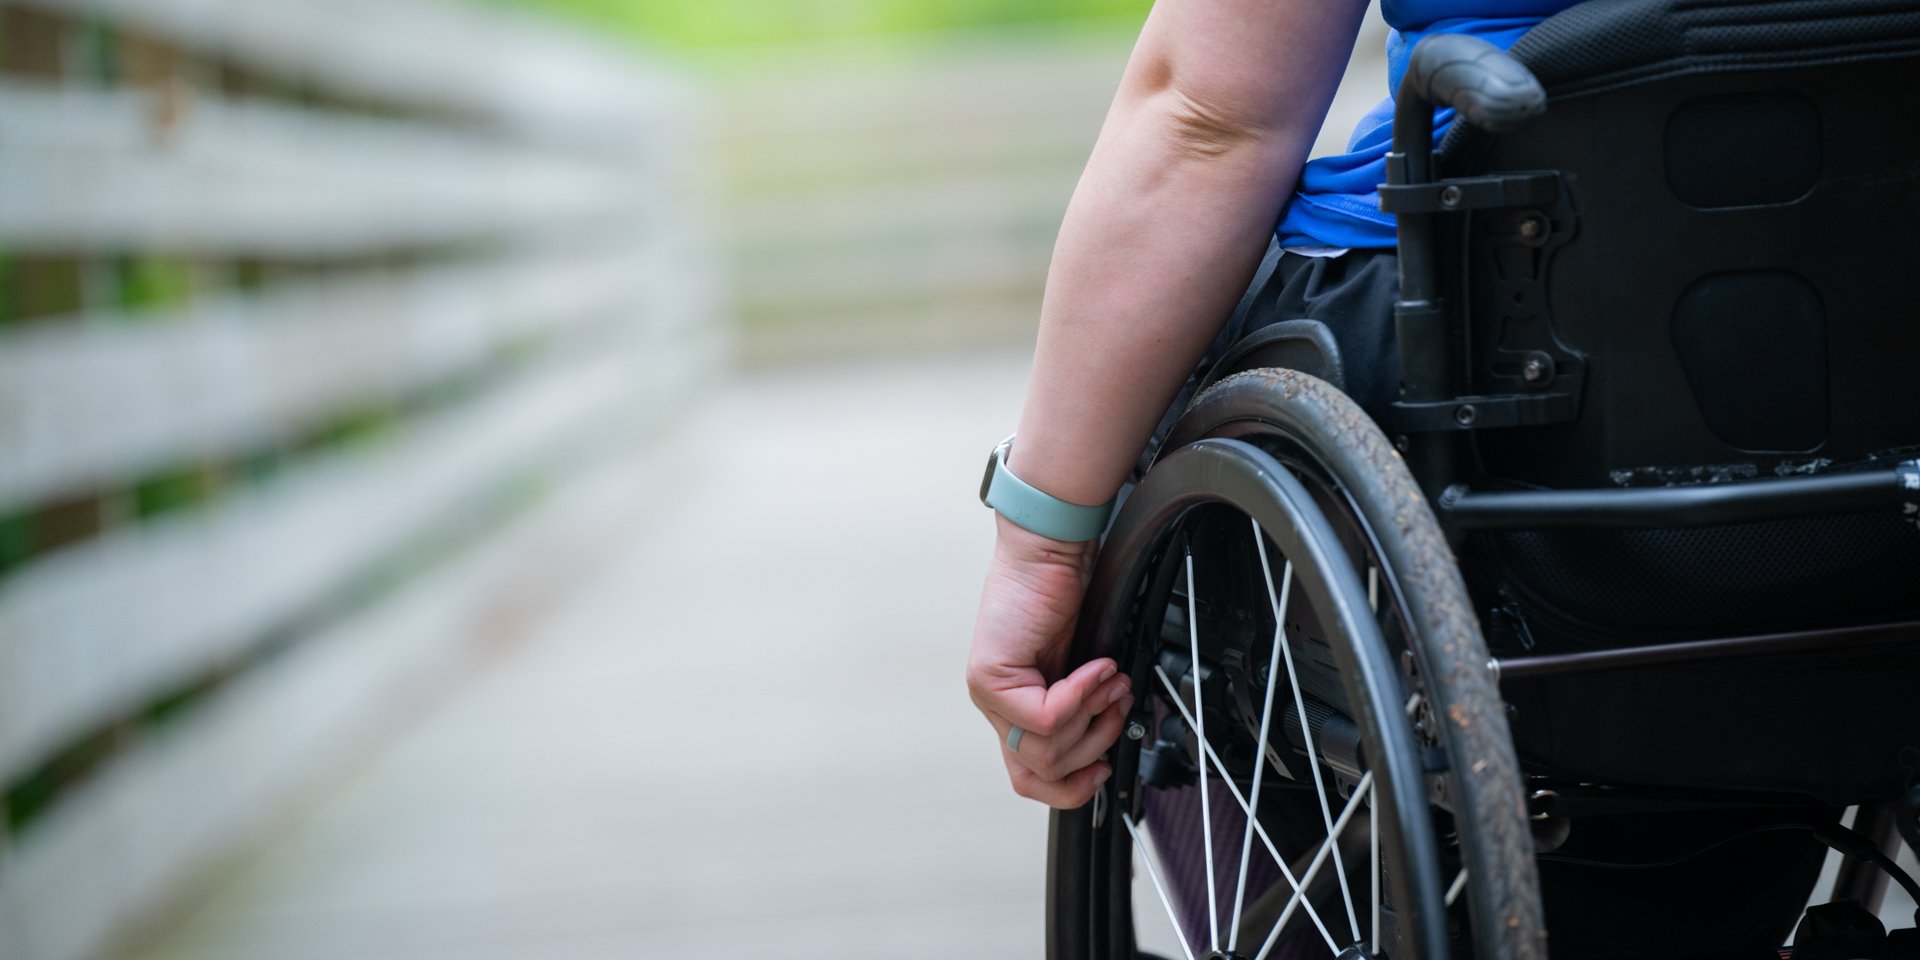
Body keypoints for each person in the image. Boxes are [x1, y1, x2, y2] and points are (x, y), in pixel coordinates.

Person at [966, 0, 1574, 809]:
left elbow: (1208, 123)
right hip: (1782, 376)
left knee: (1173, 404)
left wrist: (1040, 550)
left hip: (1483, 315)